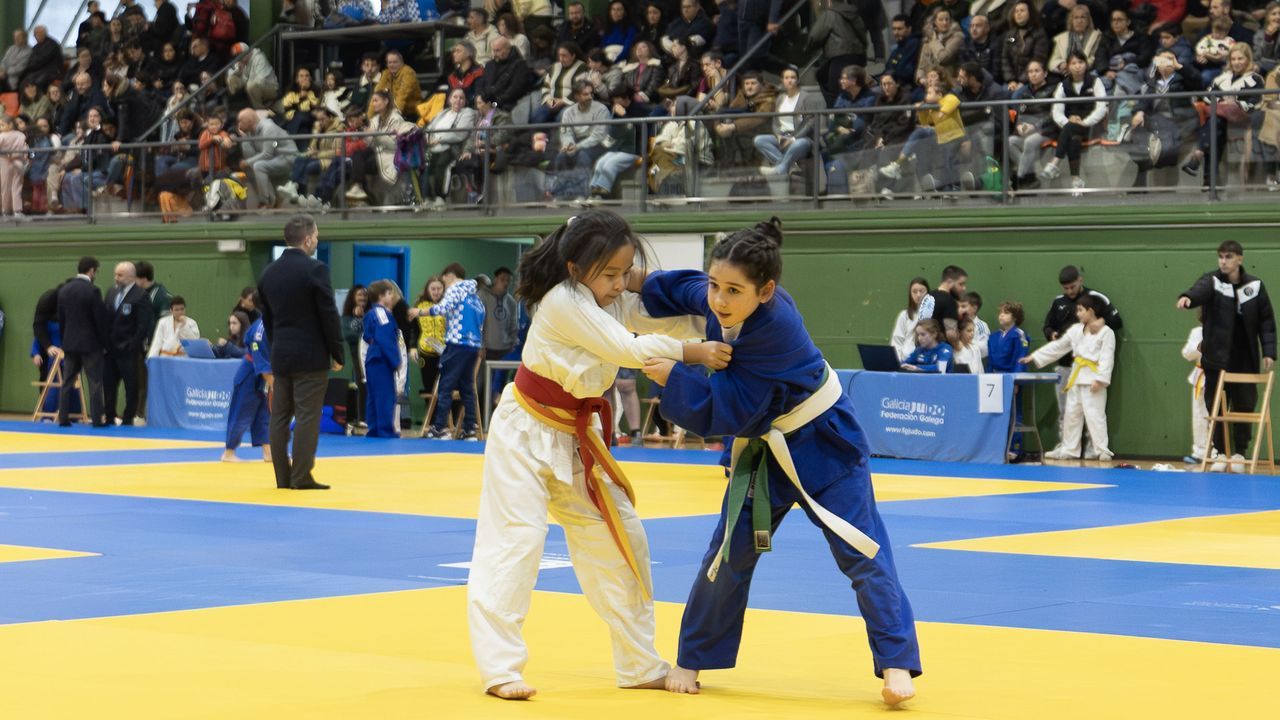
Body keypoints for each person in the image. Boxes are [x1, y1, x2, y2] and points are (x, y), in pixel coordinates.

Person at [638, 219, 920, 706]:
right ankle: (692, 657)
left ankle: (896, 661)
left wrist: (673, 375)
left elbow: (730, 410)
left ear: (765, 291)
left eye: (733, 290)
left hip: (823, 442)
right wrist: (638, 282)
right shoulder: (723, 298)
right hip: (766, 448)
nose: (719, 300)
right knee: (728, 552)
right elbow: (688, 288)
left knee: (861, 549)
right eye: (716, 285)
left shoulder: (774, 331)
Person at [466, 209, 726, 700]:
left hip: (577, 434)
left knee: (623, 540)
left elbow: (672, 317)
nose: (618, 284)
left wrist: (720, 312)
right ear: (575, 268)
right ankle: (500, 669)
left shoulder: (612, 298)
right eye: (609, 274)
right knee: (516, 542)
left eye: (624, 272)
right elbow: (627, 349)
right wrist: (696, 352)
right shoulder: (563, 301)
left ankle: (639, 663)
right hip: (524, 431)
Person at [256, 214, 345, 490]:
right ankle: (301, 476)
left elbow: (268, 320)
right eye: (316, 235)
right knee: (307, 415)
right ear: (307, 240)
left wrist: (277, 347)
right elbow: (328, 315)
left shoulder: (268, 273)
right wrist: (337, 352)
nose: (317, 240)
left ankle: (283, 477)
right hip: (311, 356)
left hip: (281, 355)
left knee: (280, 416)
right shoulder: (316, 270)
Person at [1176, 241, 1277, 472]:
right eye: (1220, 257)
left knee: (1244, 405)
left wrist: (1269, 352)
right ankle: (1220, 452)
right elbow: (1199, 290)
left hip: (1245, 359)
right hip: (1216, 359)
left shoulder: (1255, 286)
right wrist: (1188, 298)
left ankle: (1240, 453)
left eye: (1228, 257)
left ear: (1239, 259)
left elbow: (1267, 322)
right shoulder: (1213, 281)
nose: (1223, 261)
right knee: (1215, 407)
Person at [1020, 293, 1116, 462]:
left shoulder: (1106, 332)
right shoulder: (1076, 330)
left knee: (1095, 416)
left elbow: (1107, 357)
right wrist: (1035, 356)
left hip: (1093, 379)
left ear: (1091, 311)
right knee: (1071, 415)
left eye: (1080, 310)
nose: (1077, 314)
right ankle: (1070, 449)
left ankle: (1101, 450)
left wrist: (1101, 379)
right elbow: (1059, 346)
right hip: (1076, 377)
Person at [1042, 264, 1122, 456]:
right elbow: (1047, 326)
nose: (1070, 291)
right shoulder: (1058, 302)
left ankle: (1094, 448)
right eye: (1066, 288)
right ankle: (1066, 446)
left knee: (1092, 411)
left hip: (1090, 367)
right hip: (1066, 365)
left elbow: (1117, 321)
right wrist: (1052, 335)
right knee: (1067, 411)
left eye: (1073, 286)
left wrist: (1101, 321)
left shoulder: (1095, 298)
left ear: (1080, 280)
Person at [423, 263, 486, 439]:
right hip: (473, 345)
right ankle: (470, 429)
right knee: (467, 387)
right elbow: (481, 321)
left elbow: (442, 308)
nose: (444, 286)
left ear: (449, 276)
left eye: (444, 281)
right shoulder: (475, 298)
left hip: (457, 343)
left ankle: (440, 427)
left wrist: (419, 312)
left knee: (446, 385)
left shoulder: (455, 289)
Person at [1037, 51, 1107, 195]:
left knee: (1072, 130)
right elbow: (1056, 111)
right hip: (1069, 127)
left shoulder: (1095, 81)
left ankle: (1055, 162)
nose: (1077, 66)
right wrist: (1067, 122)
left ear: (1086, 64)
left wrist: (1085, 122)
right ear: (1068, 66)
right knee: (1074, 137)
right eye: (1073, 63)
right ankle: (1076, 179)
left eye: (1080, 62)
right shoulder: (1063, 85)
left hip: (1091, 127)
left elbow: (1102, 107)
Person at [56, 257, 108, 427]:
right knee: (95, 383)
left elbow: (61, 319)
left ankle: (63, 417)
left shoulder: (64, 290)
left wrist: (65, 341)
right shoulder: (93, 291)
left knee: (67, 382)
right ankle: (97, 420)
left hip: (70, 343)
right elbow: (100, 320)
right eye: (96, 271)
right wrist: (105, 343)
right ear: (91, 270)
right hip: (90, 345)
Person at [103, 261, 155, 426]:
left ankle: (127, 419)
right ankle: (109, 416)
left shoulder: (140, 295)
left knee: (131, 387)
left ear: (131, 276)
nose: (116, 278)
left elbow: (143, 325)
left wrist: (132, 345)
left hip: (129, 351)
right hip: (110, 350)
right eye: (115, 274)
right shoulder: (111, 292)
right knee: (109, 385)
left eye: (120, 275)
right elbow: (105, 319)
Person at [221, 312, 273, 463]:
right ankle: (228, 452)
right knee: (241, 414)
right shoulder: (261, 328)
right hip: (250, 374)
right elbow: (259, 356)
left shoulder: (274, 323)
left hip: (262, 374)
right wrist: (273, 383)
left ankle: (268, 452)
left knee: (263, 415)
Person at [362, 279, 405, 438]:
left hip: (373, 359)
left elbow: (367, 336)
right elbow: (385, 338)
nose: (392, 296)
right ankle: (385, 429)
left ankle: (374, 428)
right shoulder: (382, 313)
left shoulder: (370, 313)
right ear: (381, 296)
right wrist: (395, 361)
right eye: (389, 293)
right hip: (381, 360)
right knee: (385, 395)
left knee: (374, 396)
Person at [989, 301, 1030, 459]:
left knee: (1014, 413)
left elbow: (1021, 358)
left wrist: (1016, 381)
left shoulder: (1019, 335)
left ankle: (1015, 448)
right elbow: (991, 361)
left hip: (1011, 377)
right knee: (994, 413)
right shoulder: (994, 337)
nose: (1001, 316)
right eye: (1000, 312)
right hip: (994, 378)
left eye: (1006, 313)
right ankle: (997, 447)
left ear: (1015, 317)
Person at [477, 268, 519, 404]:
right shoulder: (482, 296)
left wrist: (513, 343)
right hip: (485, 349)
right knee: (480, 384)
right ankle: (480, 415)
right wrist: (480, 344)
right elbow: (477, 323)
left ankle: (495, 414)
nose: (505, 283)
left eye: (508, 281)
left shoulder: (511, 302)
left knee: (499, 388)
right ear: (495, 279)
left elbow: (514, 326)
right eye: (502, 279)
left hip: (504, 351)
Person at [1181, 318, 1212, 464]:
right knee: (1199, 415)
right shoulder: (1196, 332)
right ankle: (1199, 451)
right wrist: (1199, 347)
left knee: (1216, 415)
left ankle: (1217, 452)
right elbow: (1187, 353)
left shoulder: (1223, 330)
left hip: (1217, 376)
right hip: (1200, 375)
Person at [341, 284, 369, 429]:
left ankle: (372, 417)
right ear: (353, 297)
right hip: (357, 355)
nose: (363, 297)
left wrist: (364, 317)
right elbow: (348, 335)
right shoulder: (346, 318)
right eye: (359, 295)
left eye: (364, 295)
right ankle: (361, 417)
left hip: (372, 354)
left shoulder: (371, 314)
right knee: (361, 384)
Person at [917, 265, 967, 344]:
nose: (964, 288)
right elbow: (951, 334)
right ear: (949, 282)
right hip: (938, 349)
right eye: (961, 284)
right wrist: (960, 346)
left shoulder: (927, 296)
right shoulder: (948, 300)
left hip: (921, 346)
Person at [415, 277, 447, 396]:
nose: (436, 292)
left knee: (445, 386)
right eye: (433, 289)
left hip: (444, 352)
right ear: (427, 290)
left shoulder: (448, 305)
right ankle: (429, 408)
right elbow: (414, 329)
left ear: (444, 289)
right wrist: (412, 347)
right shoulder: (419, 305)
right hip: (425, 352)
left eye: (439, 288)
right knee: (428, 387)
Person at [890, 276, 930, 361]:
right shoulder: (904, 315)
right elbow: (897, 341)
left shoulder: (933, 314)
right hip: (906, 360)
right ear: (910, 294)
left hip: (926, 361)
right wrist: (898, 361)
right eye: (914, 292)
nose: (918, 295)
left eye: (922, 291)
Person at [959, 291, 991, 362]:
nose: (960, 309)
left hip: (972, 363)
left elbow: (985, 348)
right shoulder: (957, 323)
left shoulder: (981, 326)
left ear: (974, 308)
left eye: (963, 306)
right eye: (959, 306)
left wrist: (966, 343)